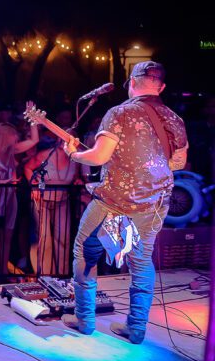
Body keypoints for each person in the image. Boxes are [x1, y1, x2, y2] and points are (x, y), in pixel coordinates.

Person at [61, 62, 188, 343]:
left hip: (113, 202)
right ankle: (136, 328)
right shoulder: (175, 119)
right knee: (141, 261)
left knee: (86, 252)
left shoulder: (119, 113)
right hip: (153, 204)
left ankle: (85, 320)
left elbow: (98, 157)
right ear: (162, 87)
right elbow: (178, 162)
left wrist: (73, 154)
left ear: (132, 82)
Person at [0, 119, 38, 281]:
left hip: (10, 197)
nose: (16, 139)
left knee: (7, 236)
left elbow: (34, 140)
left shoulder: (12, 151)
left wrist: (32, 119)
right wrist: (1, 182)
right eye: (13, 136)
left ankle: (4, 272)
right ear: (5, 136)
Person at [23, 139, 78, 276]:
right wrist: (34, 186)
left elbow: (75, 176)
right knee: (44, 238)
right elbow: (28, 167)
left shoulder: (75, 157)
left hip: (63, 200)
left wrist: (78, 181)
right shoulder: (46, 155)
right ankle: (45, 275)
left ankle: (62, 275)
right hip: (42, 200)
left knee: (63, 238)